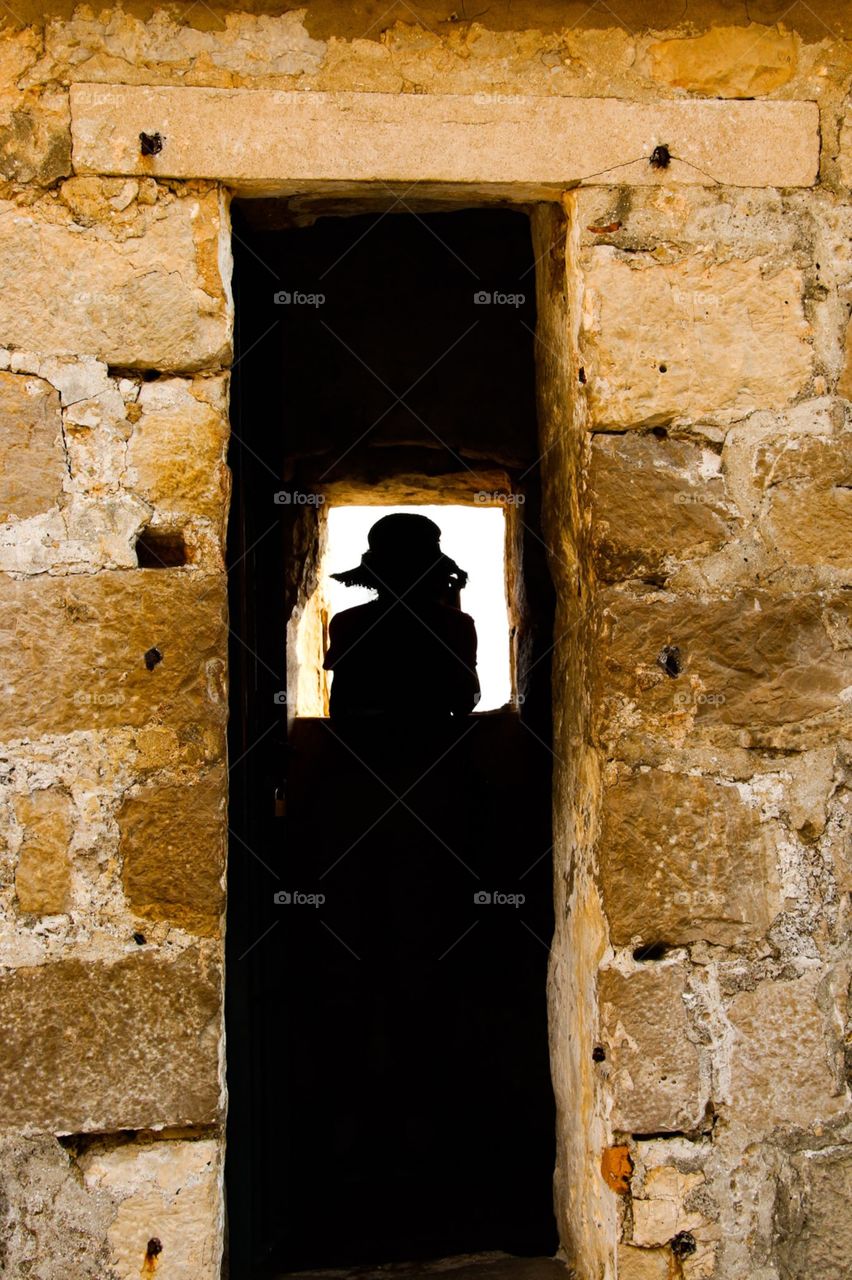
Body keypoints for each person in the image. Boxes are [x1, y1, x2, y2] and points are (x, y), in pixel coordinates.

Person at [323, 512, 480, 719]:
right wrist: (454, 613)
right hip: (433, 746)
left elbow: (339, 707)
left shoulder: (346, 622)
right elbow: (467, 700)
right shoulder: (456, 624)